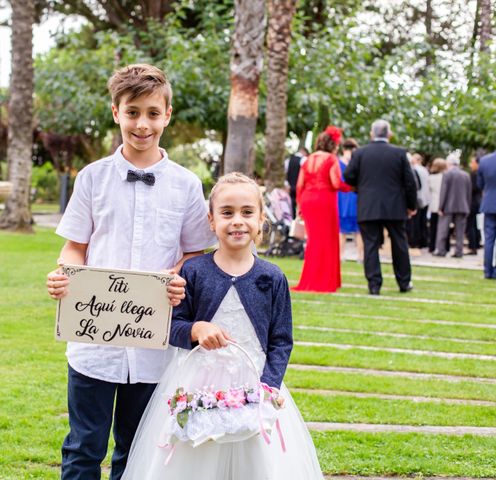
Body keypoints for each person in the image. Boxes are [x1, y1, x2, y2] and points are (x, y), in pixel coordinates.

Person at [46, 64, 217, 480]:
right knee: (84, 446)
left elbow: (196, 253)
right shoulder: (91, 178)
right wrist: (64, 274)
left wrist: (178, 276)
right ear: (116, 113)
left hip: (154, 345)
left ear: (167, 115)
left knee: (137, 450)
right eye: (133, 112)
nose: (143, 124)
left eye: (153, 113)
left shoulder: (186, 185)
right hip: (93, 346)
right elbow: (75, 246)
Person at [122, 173, 324, 480]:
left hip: (255, 383)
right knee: (195, 458)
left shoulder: (272, 278)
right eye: (227, 213)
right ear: (212, 220)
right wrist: (195, 330)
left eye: (247, 212)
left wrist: (267, 388)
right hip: (197, 383)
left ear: (261, 220)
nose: (237, 221)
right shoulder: (195, 270)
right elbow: (172, 325)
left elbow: (281, 341)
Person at [344, 119, 417, 295]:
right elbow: (410, 182)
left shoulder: (360, 153)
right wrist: (411, 205)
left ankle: (374, 284)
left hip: (368, 205)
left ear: (372, 134)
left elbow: (348, 176)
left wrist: (359, 185)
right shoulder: (399, 153)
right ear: (389, 135)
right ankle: (404, 282)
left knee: (370, 245)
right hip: (395, 206)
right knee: (399, 244)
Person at [293, 126, 351, 293]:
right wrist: (351, 187)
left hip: (308, 200)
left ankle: (310, 279)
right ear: (332, 144)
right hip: (324, 200)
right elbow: (335, 183)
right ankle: (324, 280)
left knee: (313, 240)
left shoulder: (308, 159)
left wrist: (299, 205)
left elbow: (299, 185)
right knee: (327, 239)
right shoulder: (331, 159)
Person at [433, 152, 472, 258]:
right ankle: (459, 251)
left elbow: (443, 192)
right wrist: (468, 207)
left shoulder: (447, 174)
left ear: (449, 163)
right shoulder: (466, 175)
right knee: (460, 231)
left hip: (448, 206)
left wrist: (440, 207)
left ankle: (441, 250)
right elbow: (469, 193)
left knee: (443, 229)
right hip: (463, 206)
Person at [338, 138, 363, 262]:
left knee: (342, 230)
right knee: (357, 230)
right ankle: (360, 256)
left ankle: (342, 255)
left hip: (344, 198)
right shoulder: (357, 162)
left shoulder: (338, 162)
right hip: (352, 196)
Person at [477, 148, 496, 279]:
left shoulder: (484, 161)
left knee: (489, 240)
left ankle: (487, 271)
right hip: (489, 203)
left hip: (489, 204)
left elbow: (480, 184)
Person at [407, 153, 430, 249]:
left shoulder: (414, 169)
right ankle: (423, 241)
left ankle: (414, 241)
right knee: (422, 221)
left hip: (418, 198)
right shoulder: (425, 170)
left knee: (415, 222)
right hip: (426, 198)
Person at [427, 158, 448, 253]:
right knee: (444, 227)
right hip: (444, 205)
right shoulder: (446, 177)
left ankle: (432, 246)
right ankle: (445, 246)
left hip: (434, 204)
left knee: (433, 227)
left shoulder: (431, 178)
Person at [466, 155, 483, 255]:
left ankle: (473, 246)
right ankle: (476, 244)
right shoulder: (479, 174)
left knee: (471, 225)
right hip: (478, 202)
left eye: (472, 162)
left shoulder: (474, 174)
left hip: (473, 203)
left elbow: (472, 189)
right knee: (475, 225)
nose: (470, 165)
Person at [287, 146, 309, 217]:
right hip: (300, 187)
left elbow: (287, 173)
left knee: (292, 205)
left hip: (291, 186)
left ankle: (292, 221)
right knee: (300, 208)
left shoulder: (289, 160)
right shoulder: (304, 159)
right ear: (304, 152)